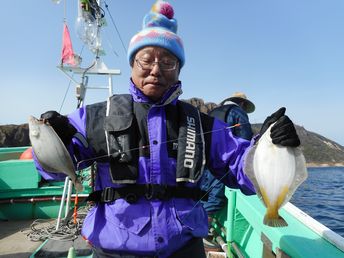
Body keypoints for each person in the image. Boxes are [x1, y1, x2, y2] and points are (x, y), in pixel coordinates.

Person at [33, 1, 300, 257]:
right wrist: (56, 137)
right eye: (146, 59)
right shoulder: (93, 117)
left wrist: (268, 146)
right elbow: (52, 169)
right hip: (114, 251)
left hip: (184, 249)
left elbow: (242, 167)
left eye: (168, 62)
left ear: (179, 69)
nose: (156, 70)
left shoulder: (202, 122)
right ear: (132, 64)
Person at [199, 92, 255, 249]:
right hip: (224, 160)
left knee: (203, 194)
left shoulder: (214, 112)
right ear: (242, 104)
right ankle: (202, 234)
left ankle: (199, 228)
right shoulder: (238, 113)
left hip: (205, 160)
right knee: (215, 196)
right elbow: (245, 142)